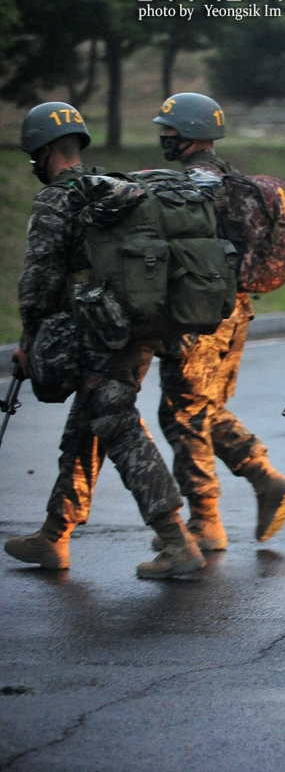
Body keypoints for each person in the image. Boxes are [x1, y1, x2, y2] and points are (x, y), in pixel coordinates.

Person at [3, 102, 205, 578]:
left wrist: (29, 339)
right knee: (88, 425)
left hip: (93, 333)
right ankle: (54, 535)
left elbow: (39, 280)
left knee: (115, 425)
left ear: (46, 152)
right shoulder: (116, 187)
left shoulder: (58, 198)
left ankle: (176, 541)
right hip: (133, 329)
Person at [151, 93, 285, 551]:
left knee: (185, 411)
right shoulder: (227, 177)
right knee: (197, 406)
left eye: (169, 131)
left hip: (202, 315)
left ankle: (206, 521)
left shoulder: (196, 184)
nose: (163, 138)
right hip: (234, 308)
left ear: (191, 134)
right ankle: (262, 477)